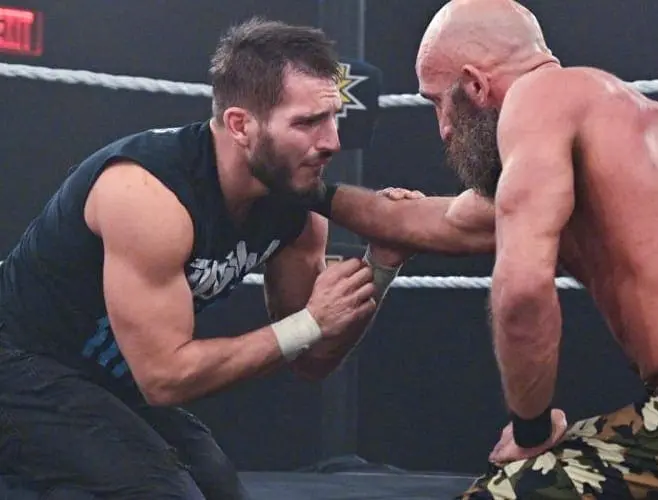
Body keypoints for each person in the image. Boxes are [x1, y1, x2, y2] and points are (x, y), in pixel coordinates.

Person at [317, 0, 658, 497]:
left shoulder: (539, 98)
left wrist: (530, 430)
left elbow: (523, 291)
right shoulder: (624, 130)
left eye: (439, 101)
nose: (442, 127)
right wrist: (306, 191)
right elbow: (431, 220)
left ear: (476, 84)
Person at [0, 18, 409, 499]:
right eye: (306, 122)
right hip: (19, 363)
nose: (332, 141)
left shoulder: (294, 209)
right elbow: (165, 378)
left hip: (109, 375)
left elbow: (313, 359)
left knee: (218, 488)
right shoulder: (147, 193)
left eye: (333, 116)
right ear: (240, 125)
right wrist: (310, 323)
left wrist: (382, 263)